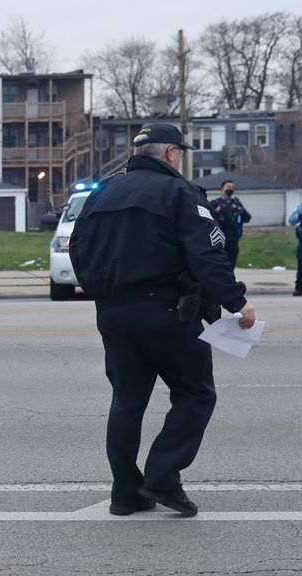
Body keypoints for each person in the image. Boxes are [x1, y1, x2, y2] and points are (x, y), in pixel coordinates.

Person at [69, 123, 256, 518]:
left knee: (127, 400)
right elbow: (207, 254)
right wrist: (237, 302)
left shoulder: (100, 195)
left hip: (113, 313)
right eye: (180, 153)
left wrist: (101, 293)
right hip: (167, 311)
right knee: (196, 393)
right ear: (171, 154)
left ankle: (125, 493)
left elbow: (77, 249)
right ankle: (162, 476)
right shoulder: (178, 192)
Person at [207, 179, 251, 269]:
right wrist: (216, 212)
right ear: (222, 189)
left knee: (231, 265)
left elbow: (247, 218)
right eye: (228, 187)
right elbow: (207, 219)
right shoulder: (215, 203)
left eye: (232, 188)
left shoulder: (236, 204)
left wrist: (241, 210)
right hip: (219, 240)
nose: (230, 189)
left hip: (233, 239)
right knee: (219, 266)